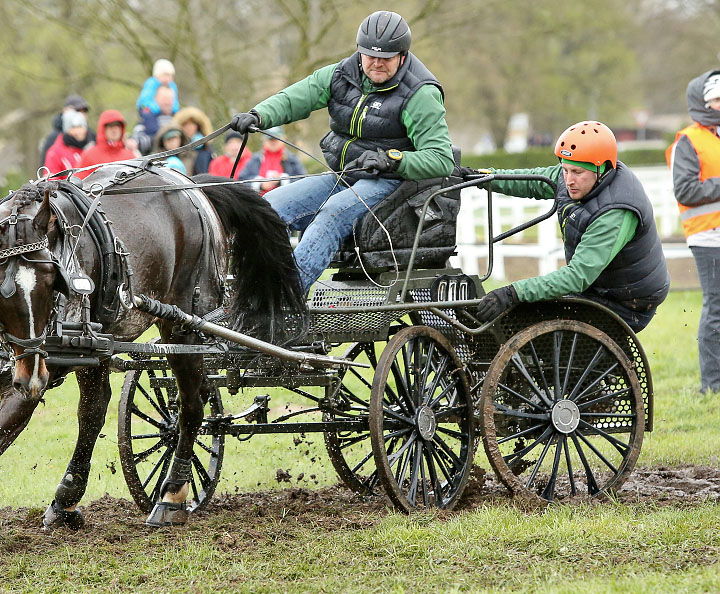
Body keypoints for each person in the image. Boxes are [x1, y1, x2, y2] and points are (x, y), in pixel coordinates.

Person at [229, 10, 454, 291]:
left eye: (385, 58)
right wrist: (259, 115)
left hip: (393, 185)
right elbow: (295, 98)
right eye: (370, 56)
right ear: (359, 51)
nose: (376, 64)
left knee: (332, 214)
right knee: (267, 207)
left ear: (402, 55)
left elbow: (441, 159)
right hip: (345, 176)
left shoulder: (420, 94)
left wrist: (391, 159)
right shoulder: (341, 74)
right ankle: (240, 291)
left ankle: (283, 299)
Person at [465, 121, 670, 332]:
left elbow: (577, 276)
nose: (568, 180)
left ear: (602, 169)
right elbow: (532, 181)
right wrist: (483, 177)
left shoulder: (616, 213)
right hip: (596, 289)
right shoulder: (572, 176)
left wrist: (511, 293)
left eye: (577, 172)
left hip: (627, 303)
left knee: (533, 321)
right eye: (565, 170)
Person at [667, 70, 720, 392]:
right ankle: (712, 387)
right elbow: (685, 190)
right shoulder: (688, 140)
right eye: (716, 99)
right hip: (708, 237)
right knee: (717, 309)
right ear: (701, 101)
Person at [238, 126, 306, 194]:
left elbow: (303, 181)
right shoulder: (255, 159)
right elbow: (241, 180)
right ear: (264, 140)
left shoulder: (292, 159)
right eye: (270, 139)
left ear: (283, 139)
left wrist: (281, 181)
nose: (273, 142)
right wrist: (260, 184)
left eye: (276, 139)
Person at [73, 110, 137, 180]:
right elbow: (77, 182)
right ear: (103, 129)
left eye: (117, 126)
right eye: (110, 126)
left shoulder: (130, 156)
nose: (114, 130)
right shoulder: (89, 155)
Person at [39, 94, 94, 164]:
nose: (82, 114)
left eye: (84, 111)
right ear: (65, 110)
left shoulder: (91, 136)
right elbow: (47, 168)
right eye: (78, 110)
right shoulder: (54, 138)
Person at [42, 110, 89, 179]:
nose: (78, 131)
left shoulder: (91, 148)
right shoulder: (54, 153)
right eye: (73, 127)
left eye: (80, 126)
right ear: (66, 129)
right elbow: (51, 182)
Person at [132, 85, 177, 156]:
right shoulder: (146, 119)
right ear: (156, 99)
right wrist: (162, 139)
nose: (167, 102)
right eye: (164, 99)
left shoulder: (179, 118)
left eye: (170, 99)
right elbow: (137, 142)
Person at [171, 106, 215, 175]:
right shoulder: (177, 146)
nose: (189, 127)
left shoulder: (206, 146)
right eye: (185, 124)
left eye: (192, 124)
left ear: (198, 126)